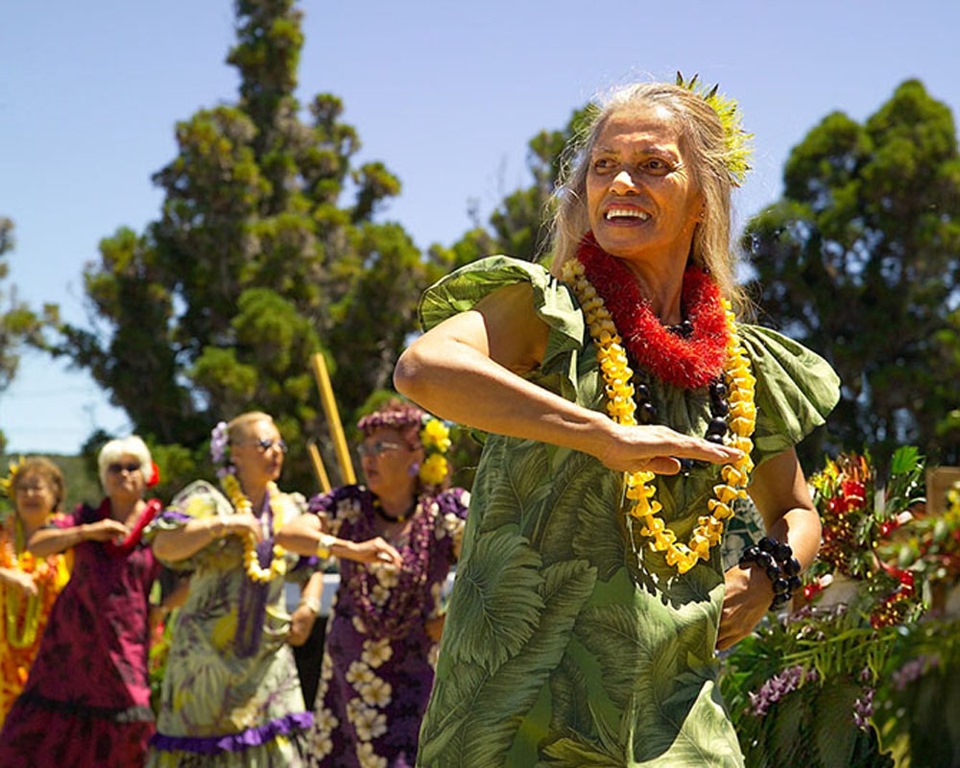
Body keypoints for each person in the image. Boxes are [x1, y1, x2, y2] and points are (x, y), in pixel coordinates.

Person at [394, 77, 841, 767]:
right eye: (603, 165)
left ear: (703, 197)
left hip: (677, 722)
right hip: (521, 724)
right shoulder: (548, 312)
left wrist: (768, 575)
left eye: (654, 165)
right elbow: (425, 367)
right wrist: (602, 436)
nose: (621, 182)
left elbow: (795, 511)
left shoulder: (739, 368)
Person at [145, 411, 402, 767]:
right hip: (204, 664)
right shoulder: (208, 501)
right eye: (265, 444)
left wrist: (309, 607)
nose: (277, 451)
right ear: (235, 452)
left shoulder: (291, 509)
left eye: (280, 444)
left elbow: (314, 565)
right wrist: (224, 525)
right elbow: (164, 547)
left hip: (267, 661)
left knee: (283, 754)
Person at [275, 399, 470, 767]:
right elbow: (289, 534)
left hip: (418, 672)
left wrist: (450, 620)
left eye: (382, 447)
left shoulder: (445, 513)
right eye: (365, 448)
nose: (369, 456)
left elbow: (488, 564)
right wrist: (348, 549)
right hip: (351, 672)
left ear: (416, 454)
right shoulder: (349, 508)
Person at [0, 436, 166, 767]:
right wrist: (86, 533)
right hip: (72, 644)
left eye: (132, 467)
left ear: (147, 474)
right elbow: (38, 544)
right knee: (52, 733)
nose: (123, 474)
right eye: (114, 468)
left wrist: (163, 608)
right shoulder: (85, 517)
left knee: (128, 726)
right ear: (104, 476)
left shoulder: (162, 524)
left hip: (126, 642)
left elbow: (186, 571)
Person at [0, 457, 71, 727]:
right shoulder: (1, 535)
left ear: (55, 495)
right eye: (23, 488)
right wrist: (5, 574)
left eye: (37, 487)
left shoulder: (71, 539)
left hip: (55, 661)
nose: (29, 494)